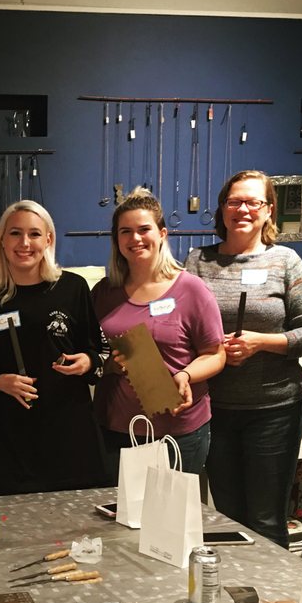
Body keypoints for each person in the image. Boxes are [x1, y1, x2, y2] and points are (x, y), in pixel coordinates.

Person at [184, 171, 302, 547]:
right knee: (227, 517)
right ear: (222, 209)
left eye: (253, 202)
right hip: (215, 409)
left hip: (274, 411)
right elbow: (182, 325)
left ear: (269, 210)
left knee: (265, 519)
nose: (242, 209)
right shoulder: (197, 261)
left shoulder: (286, 261)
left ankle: (271, 585)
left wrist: (261, 343)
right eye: (234, 201)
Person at [0, 200, 105, 494]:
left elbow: (98, 352)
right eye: (15, 233)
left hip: (71, 433)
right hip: (13, 439)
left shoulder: (73, 288)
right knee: (12, 519)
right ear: (2, 240)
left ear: (48, 239)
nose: (24, 243)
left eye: (34, 234)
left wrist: (87, 361)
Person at [92, 188, 225, 479]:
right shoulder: (104, 293)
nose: (135, 238)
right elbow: (91, 351)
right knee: (119, 507)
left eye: (144, 229)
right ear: (116, 239)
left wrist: (185, 375)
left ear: (162, 233)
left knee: (170, 509)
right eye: (125, 231)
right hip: (117, 427)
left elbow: (216, 354)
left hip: (177, 432)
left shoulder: (191, 289)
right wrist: (108, 365)